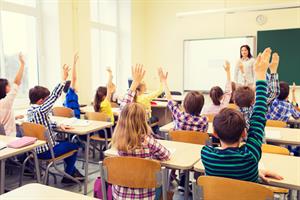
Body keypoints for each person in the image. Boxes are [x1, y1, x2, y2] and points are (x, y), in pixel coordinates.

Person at [201, 47, 283, 183]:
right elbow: (258, 115)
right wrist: (262, 75)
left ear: (214, 133)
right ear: (245, 133)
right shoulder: (251, 156)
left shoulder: (206, 155)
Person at [111, 64, 170, 200]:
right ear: (144, 120)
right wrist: (151, 160)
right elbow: (166, 156)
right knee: (162, 182)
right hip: (144, 196)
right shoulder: (147, 140)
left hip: (120, 195)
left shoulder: (119, 139)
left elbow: (123, 109)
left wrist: (134, 83)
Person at [27, 64, 83, 184]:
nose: (48, 101)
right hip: (48, 151)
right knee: (74, 145)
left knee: (66, 145)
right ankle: (68, 175)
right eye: (46, 100)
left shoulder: (30, 111)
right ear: (41, 101)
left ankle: (71, 172)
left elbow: (42, 125)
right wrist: (63, 79)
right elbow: (54, 96)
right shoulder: (40, 110)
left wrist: (57, 125)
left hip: (34, 151)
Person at [234, 52, 280, 128]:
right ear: (253, 101)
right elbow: (274, 93)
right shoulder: (257, 111)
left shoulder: (232, 117)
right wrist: (273, 70)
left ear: (235, 102)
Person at [0, 53, 25, 137]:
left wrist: (14, 117)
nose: (10, 86)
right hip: (10, 136)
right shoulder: (5, 102)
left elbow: (2, 120)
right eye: (8, 85)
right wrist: (22, 64)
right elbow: (17, 83)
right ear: (4, 88)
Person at [63, 52, 81, 118]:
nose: (77, 85)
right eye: (75, 84)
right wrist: (74, 63)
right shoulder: (71, 94)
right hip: (75, 119)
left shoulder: (67, 96)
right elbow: (74, 78)